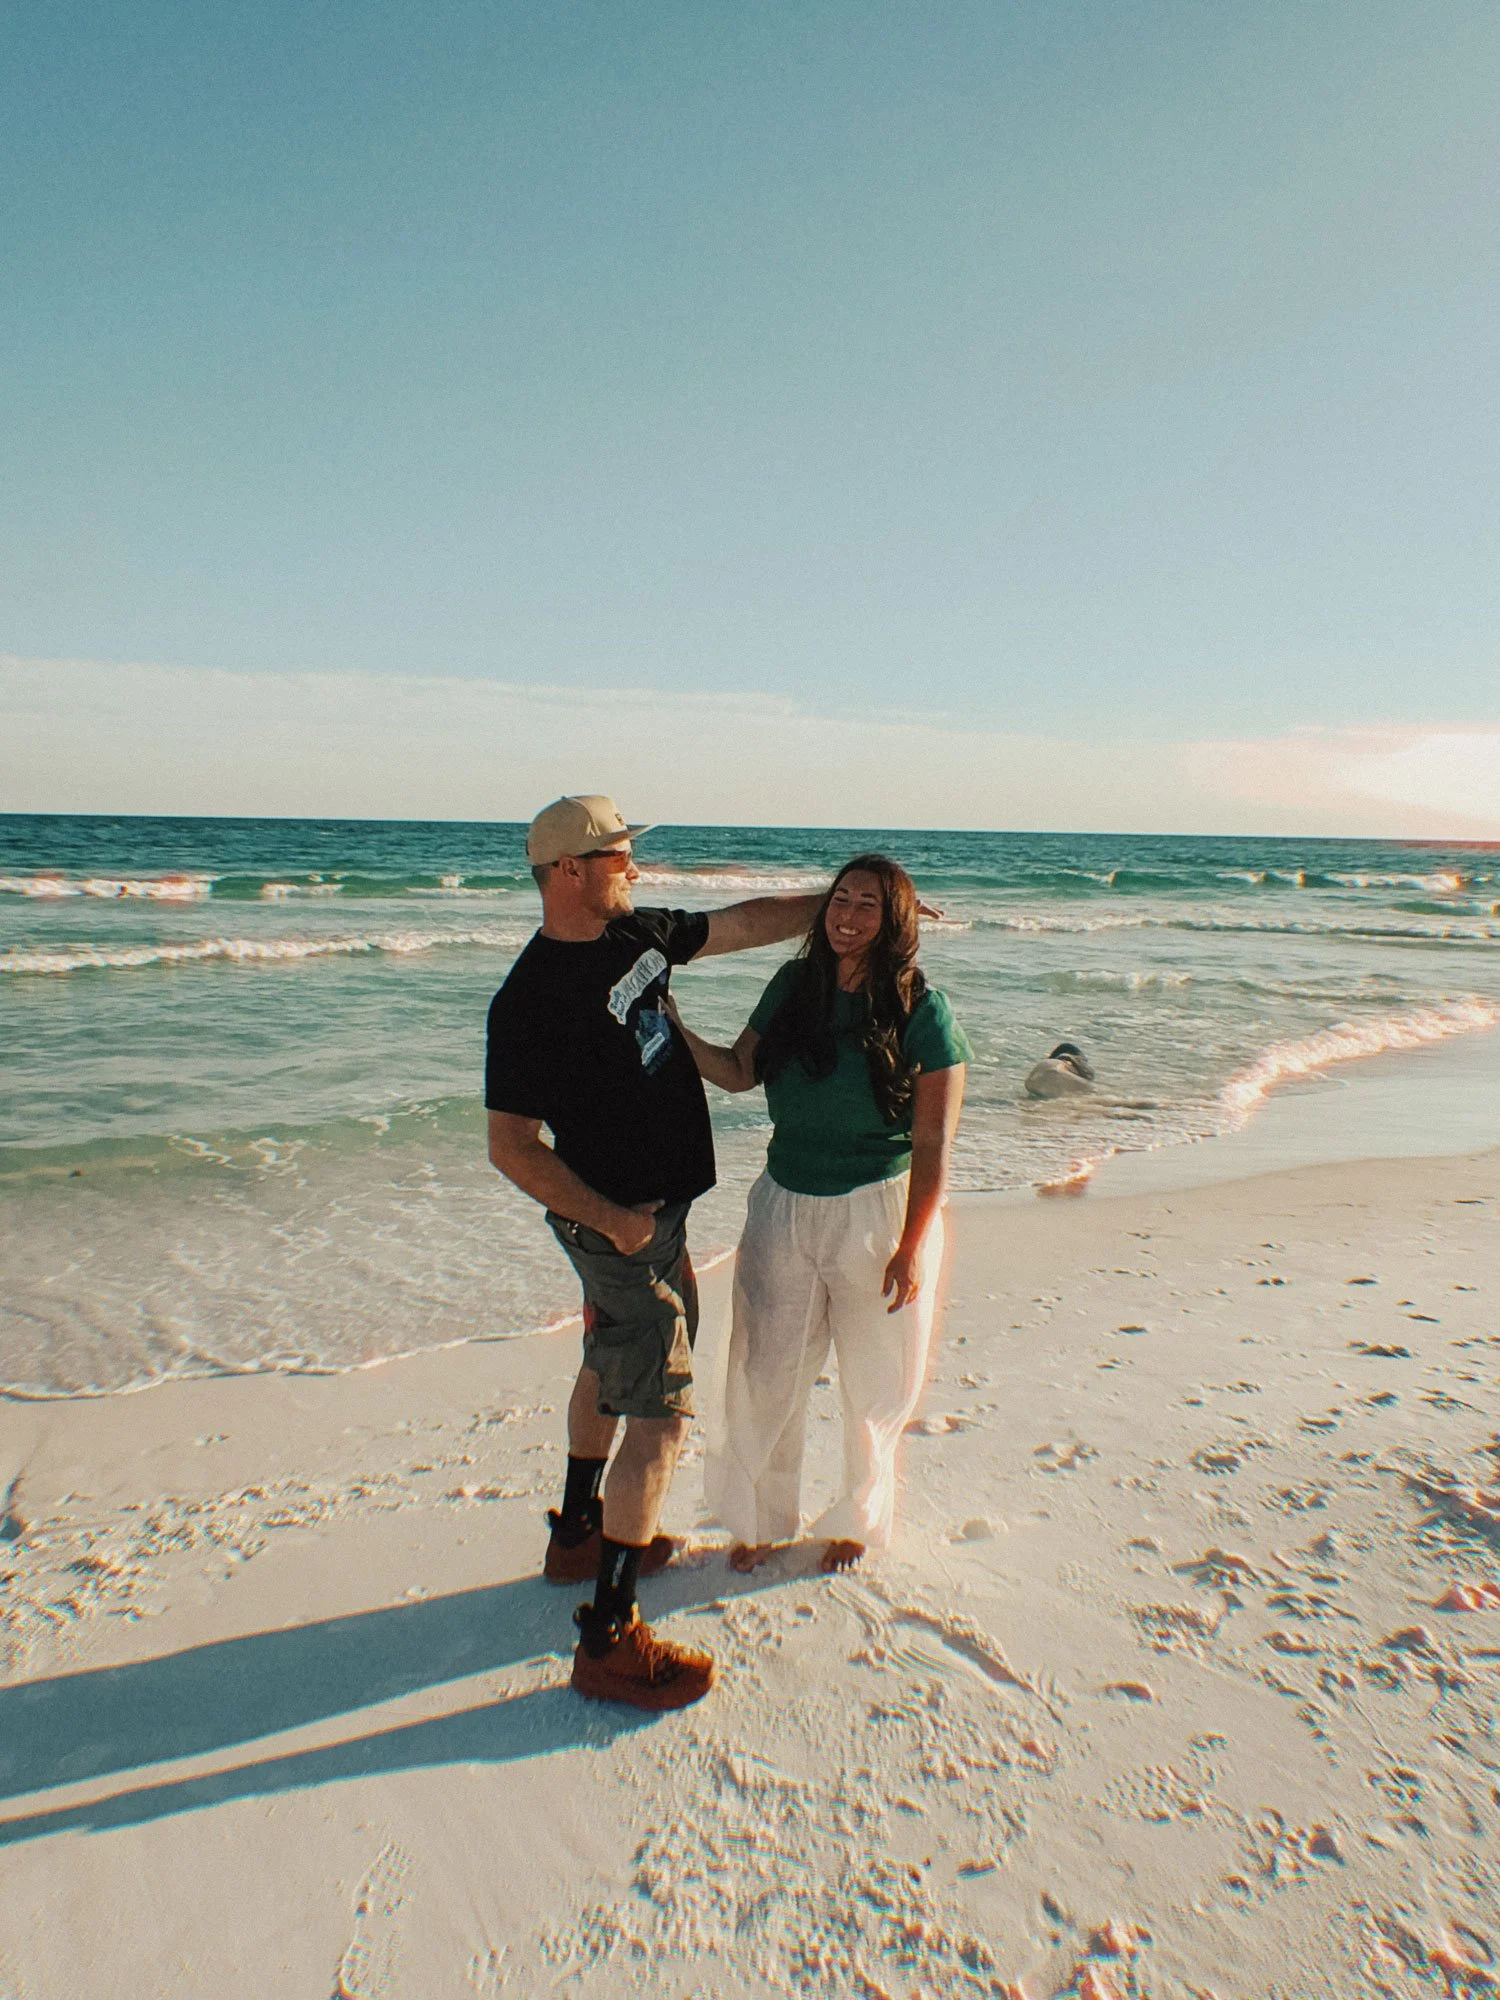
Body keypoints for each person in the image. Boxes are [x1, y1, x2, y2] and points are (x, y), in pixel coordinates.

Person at [485, 796, 824, 1711]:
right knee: (663, 1415)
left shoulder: (636, 933)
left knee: (611, 1362)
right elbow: (512, 1146)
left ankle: (578, 1537)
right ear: (567, 871)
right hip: (622, 1224)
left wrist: (833, 903)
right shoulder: (526, 1002)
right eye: (618, 856)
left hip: (656, 1215)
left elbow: (746, 924)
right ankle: (610, 1636)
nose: (633, 869)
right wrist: (618, 1222)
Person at [670, 853, 971, 1574]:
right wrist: (676, 1027)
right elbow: (740, 1074)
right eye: (841, 899)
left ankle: (856, 1523)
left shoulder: (923, 1009)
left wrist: (911, 1244)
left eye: (868, 904)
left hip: (879, 1206)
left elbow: (933, 1141)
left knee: (877, 1381)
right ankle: (760, 1522)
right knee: (764, 1368)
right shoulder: (791, 989)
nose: (847, 916)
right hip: (785, 1204)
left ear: (893, 919)